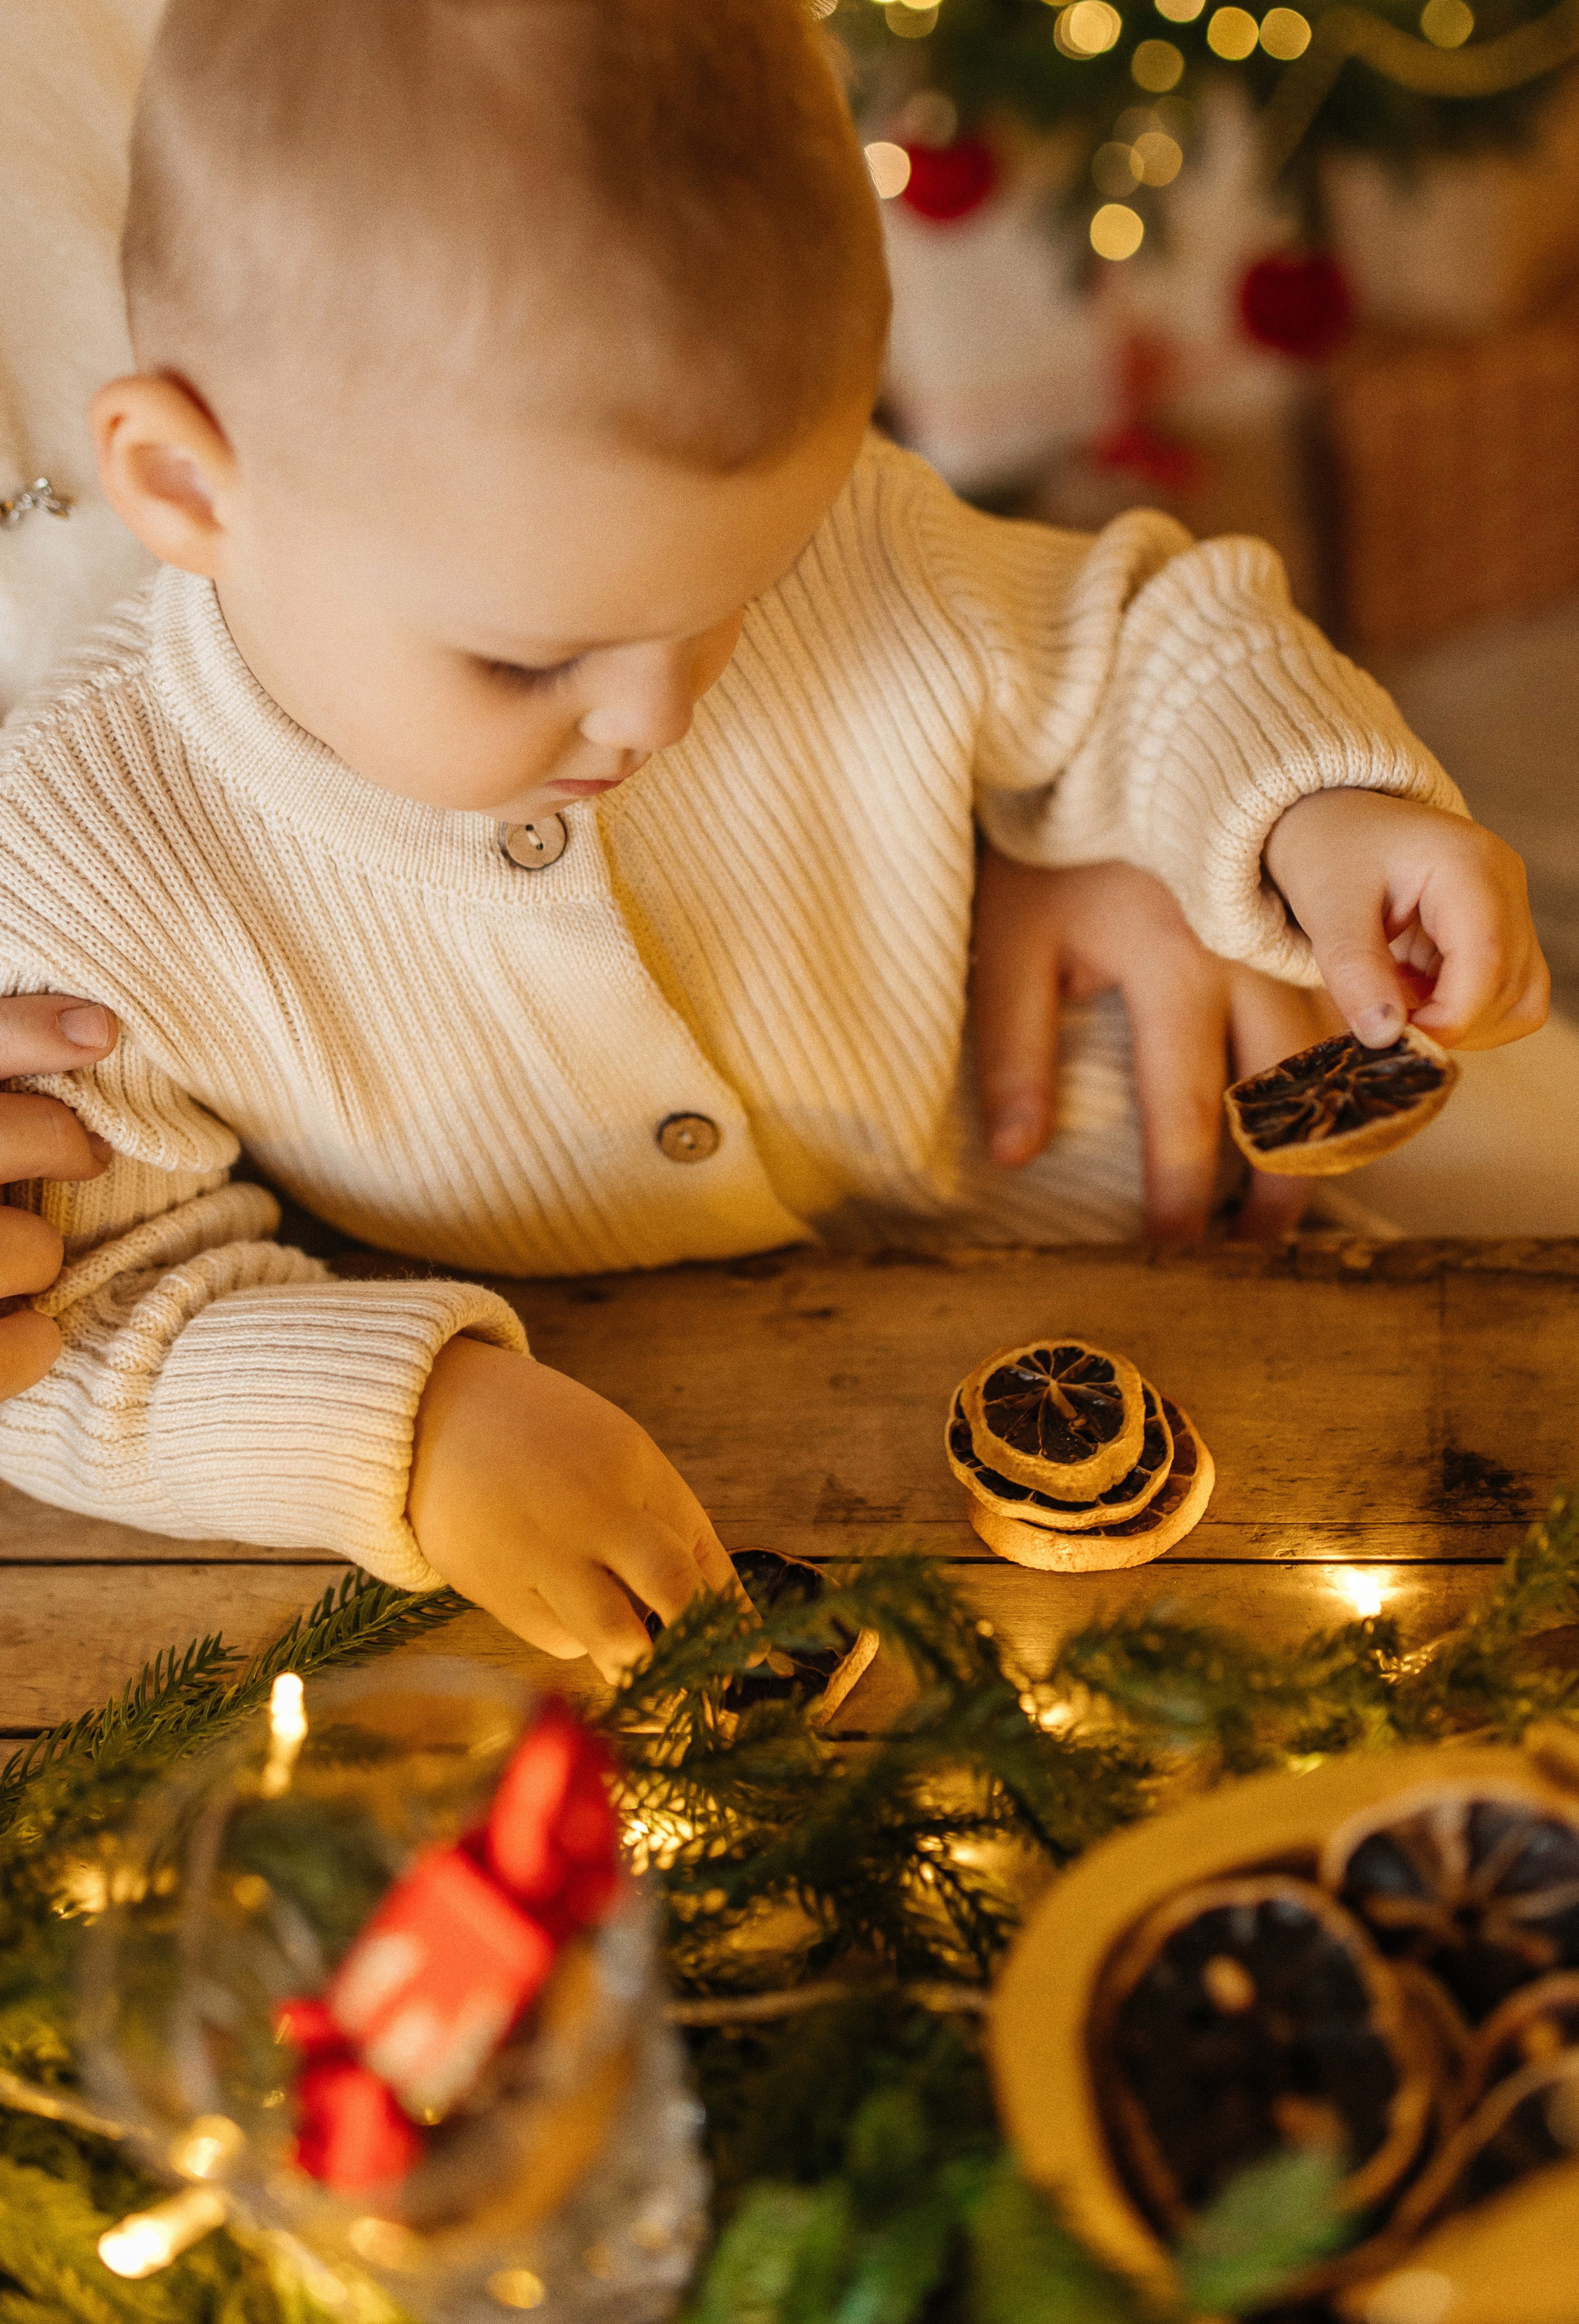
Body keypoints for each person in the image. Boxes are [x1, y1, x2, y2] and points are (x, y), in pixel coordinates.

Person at [0, 0, 1546, 1681]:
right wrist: (424, 1431)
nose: (655, 717)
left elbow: (1130, 645)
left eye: (734, 598)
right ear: (189, 485)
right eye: (531, 659)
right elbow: (90, 1320)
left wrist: (1324, 808)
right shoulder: (84, 855)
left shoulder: (847, 547)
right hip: (644, 1466)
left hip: (1143, 1260)